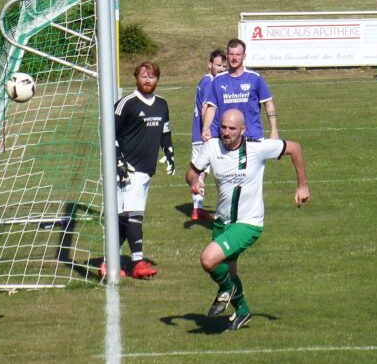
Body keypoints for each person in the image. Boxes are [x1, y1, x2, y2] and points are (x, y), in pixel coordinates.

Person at [187, 108, 310, 331]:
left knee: (208, 259)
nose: (226, 132)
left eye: (232, 128)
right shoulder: (212, 147)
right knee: (228, 272)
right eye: (223, 127)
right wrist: (194, 182)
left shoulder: (256, 148)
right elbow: (192, 173)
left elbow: (295, 148)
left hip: (248, 223)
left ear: (242, 130)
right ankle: (242, 312)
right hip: (222, 222)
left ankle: (227, 290)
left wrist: (302, 185)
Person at [108, 61, 173, 280]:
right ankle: (138, 263)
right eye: (143, 76)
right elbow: (109, 132)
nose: (147, 80)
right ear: (136, 77)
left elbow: (165, 131)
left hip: (146, 170)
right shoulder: (127, 103)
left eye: (152, 76)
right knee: (134, 216)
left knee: (125, 219)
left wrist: (169, 152)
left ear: (157, 79)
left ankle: (110, 262)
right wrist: (118, 160)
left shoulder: (162, 104)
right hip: (128, 169)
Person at [201, 39, 278, 142]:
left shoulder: (255, 78)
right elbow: (211, 107)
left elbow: (268, 103)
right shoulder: (218, 80)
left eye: (238, 54)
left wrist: (274, 130)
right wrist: (205, 128)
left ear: (244, 56)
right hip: (226, 139)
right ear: (227, 55)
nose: (234, 58)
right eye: (231, 54)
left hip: (252, 138)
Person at [189, 49, 227, 221]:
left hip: (199, 135)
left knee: (202, 171)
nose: (221, 69)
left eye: (223, 66)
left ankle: (198, 208)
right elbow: (206, 107)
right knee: (202, 171)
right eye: (218, 65)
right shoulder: (209, 81)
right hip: (204, 135)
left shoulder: (205, 81)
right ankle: (197, 208)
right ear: (210, 65)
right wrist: (208, 130)